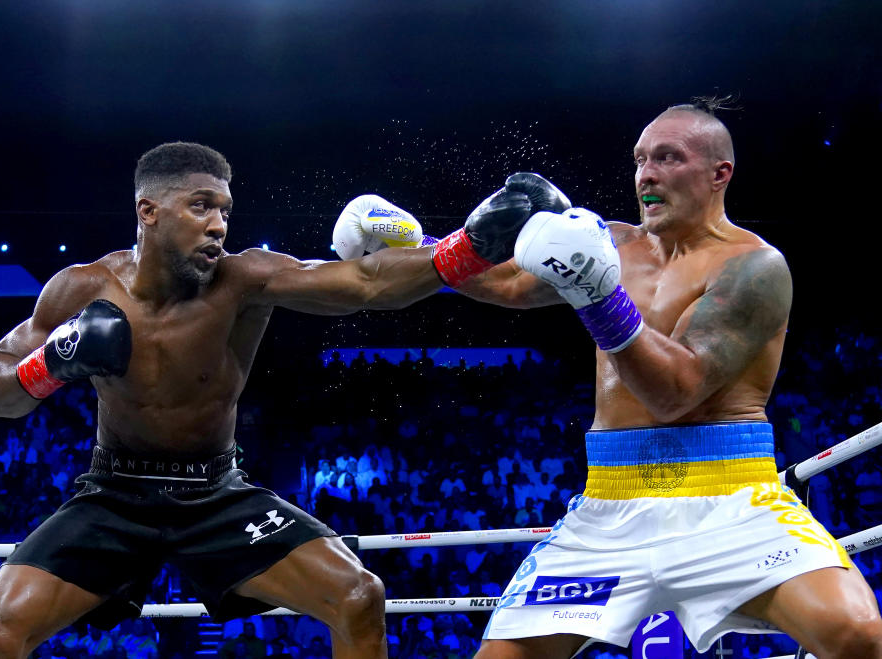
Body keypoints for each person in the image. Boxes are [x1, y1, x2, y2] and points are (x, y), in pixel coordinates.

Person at [339, 99, 882, 658]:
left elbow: (676, 393)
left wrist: (599, 297)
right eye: (641, 159)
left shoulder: (755, 266)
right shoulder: (614, 244)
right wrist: (416, 242)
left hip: (731, 496)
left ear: (720, 173)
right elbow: (502, 284)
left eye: (669, 158)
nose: (647, 173)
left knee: (859, 636)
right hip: (609, 504)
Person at [0, 141, 554, 658]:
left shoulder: (244, 279)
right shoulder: (82, 287)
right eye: (201, 206)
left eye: (225, 210)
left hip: (215, 495)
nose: (219, 225)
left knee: (357, 595)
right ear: (148, 212)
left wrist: (471, 248)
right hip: (114, 496)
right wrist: (49, 365)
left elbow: (365, 282)